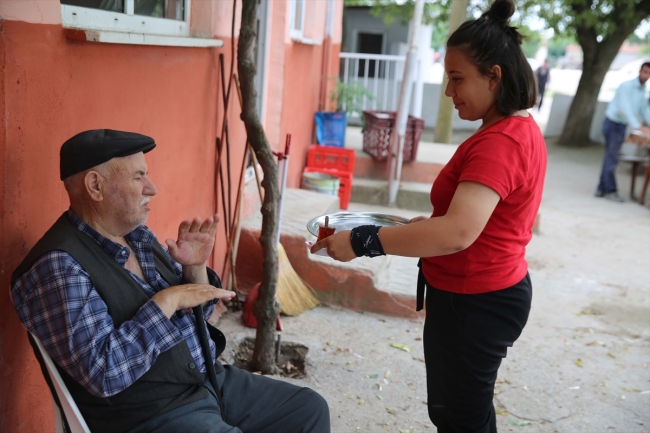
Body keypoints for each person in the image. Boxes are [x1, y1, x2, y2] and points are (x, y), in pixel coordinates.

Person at [312, 0, 546, 431]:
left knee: (459, 418)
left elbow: (457, 233)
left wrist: (364, 241)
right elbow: (466, 221)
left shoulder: (502, 142)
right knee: (466, 413)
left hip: (476, 301)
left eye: (457, 79)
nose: (448, 91)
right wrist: (426, 228)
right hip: (484, 293)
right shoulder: (514, 129)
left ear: (494, 76)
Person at [11, 129, 330, 433]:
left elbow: (195, 316)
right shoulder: (56, 268)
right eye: (138, 176)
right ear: (95, 186)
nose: (152, 188)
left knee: (308, 409)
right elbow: (104, 373)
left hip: (206, 379)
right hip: (150, 413)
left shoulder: (136, 236)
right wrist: (167, 300)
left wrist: (194, 270)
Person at [595, 62, 650, 202]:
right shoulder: (626, 86)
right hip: (613, 124)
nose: (646, 75)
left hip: (621, 126)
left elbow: (644, 110)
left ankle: (601, 188)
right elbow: (624, 109)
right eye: (644, 72)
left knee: (609, 156)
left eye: (648, 73)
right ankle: (610, 190)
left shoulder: (642, 90)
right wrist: (638, 126)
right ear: (640, 71)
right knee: (612, 158)